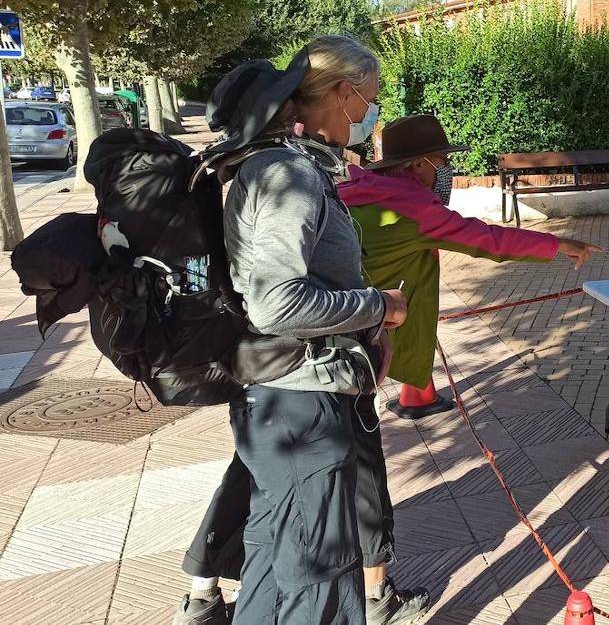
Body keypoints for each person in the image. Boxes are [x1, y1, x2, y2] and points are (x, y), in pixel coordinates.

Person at [174, 36, 426, 625]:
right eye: (372, 98)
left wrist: (366, 326)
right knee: (319, 582)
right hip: (301, 410)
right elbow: (277, 302)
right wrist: (378, 307)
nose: (372, 113)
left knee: (273, 565)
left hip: (282, 402)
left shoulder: (278, 167)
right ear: (343, 93)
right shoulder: (290, 175)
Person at [338, 114, 602, 414]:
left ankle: (415, 394)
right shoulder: (415, 207)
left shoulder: (365, 189)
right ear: (420, 163)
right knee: (355, 419)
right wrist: (561, 244)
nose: (447, 169)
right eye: (442, 160)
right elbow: (488, 239)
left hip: (343, 304)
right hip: (360, 328)